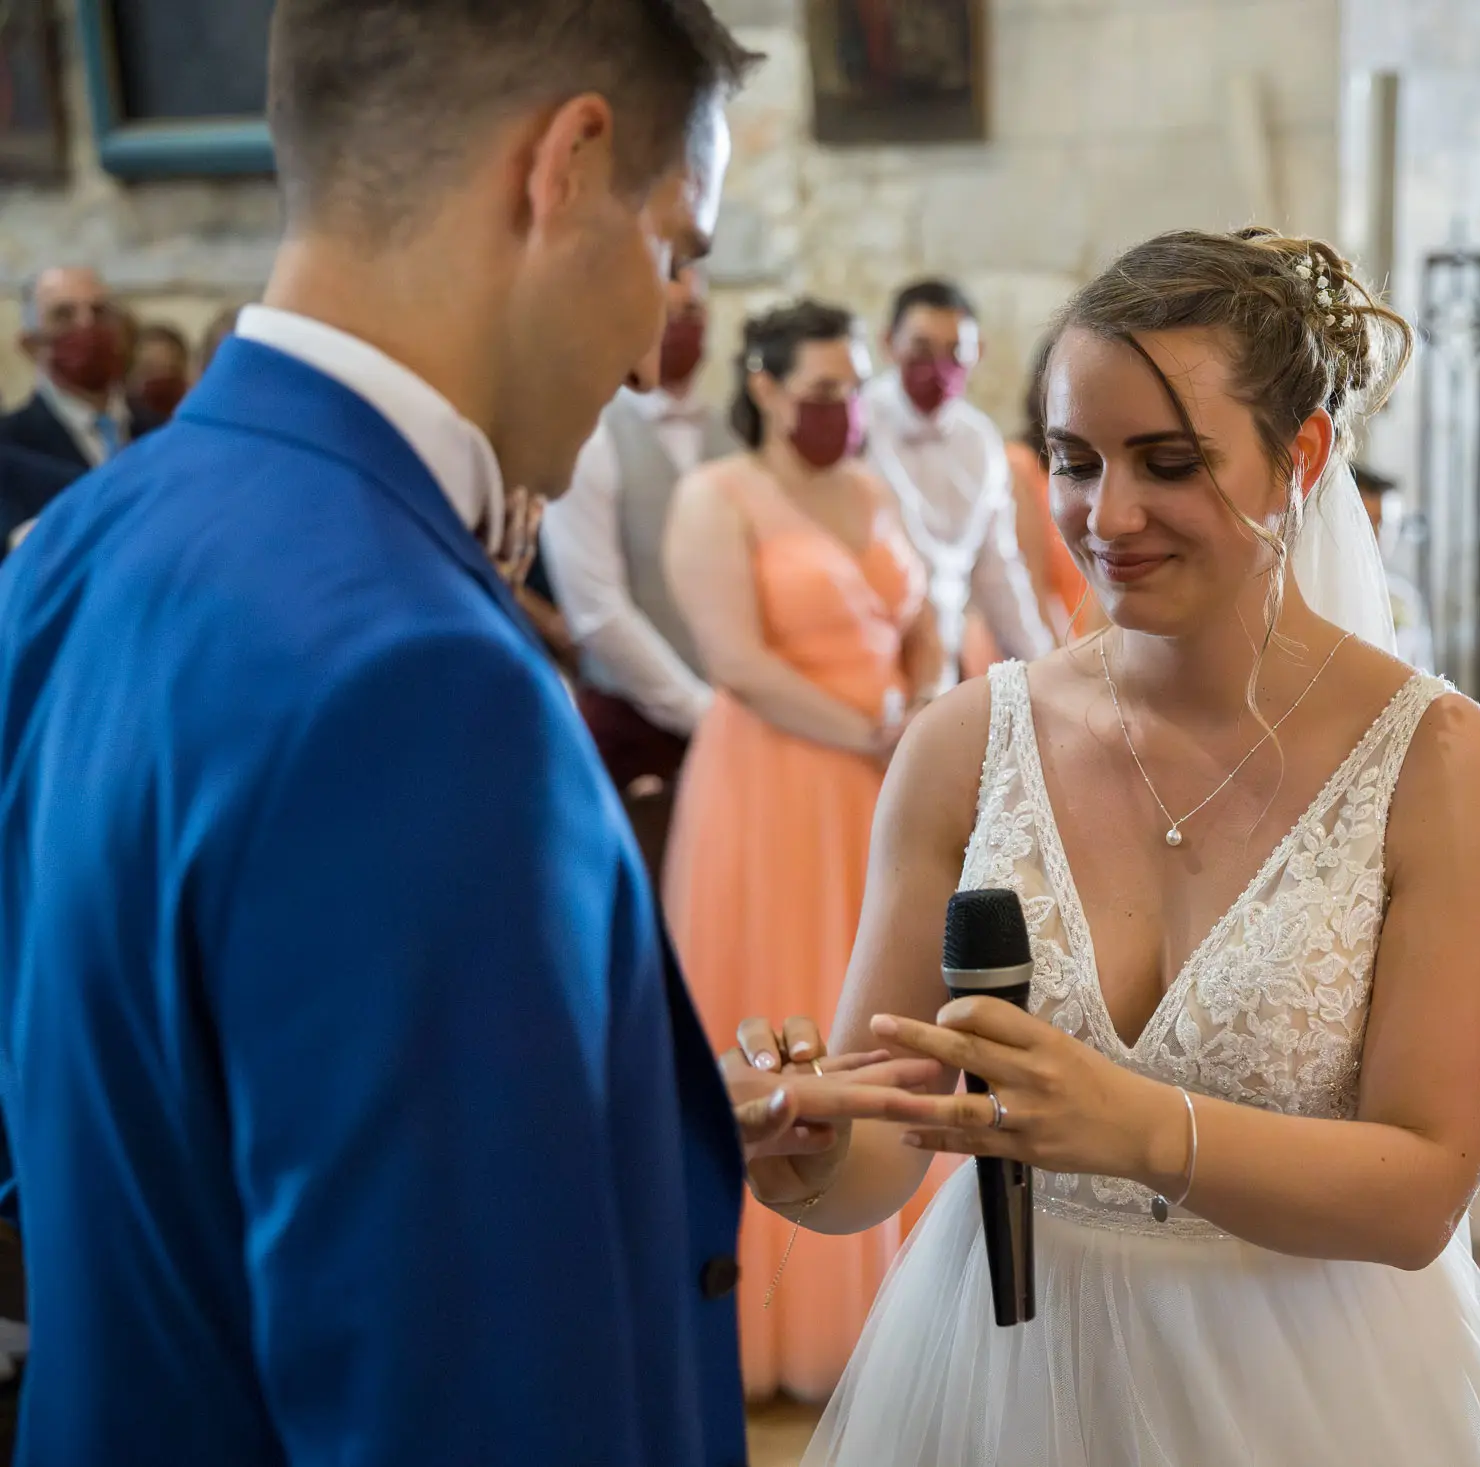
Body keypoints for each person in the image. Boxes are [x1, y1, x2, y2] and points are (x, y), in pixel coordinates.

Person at [0, 5, 940, 1465]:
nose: (653, 353)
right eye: (674, 249)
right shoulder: (419, 675)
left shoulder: (80, 541)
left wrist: (617, 1121)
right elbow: (467, 1389)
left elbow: (125, 1108)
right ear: (567, 166)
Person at [728, 227, 1480, 1465]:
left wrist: (1144, 1129)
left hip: (1311, 1387)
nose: (1106, 516)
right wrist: (810, 1156)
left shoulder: (1443, 766)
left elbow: (1420, 1192)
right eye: (1073, 461)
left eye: (1168, 463)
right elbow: (889, 1140)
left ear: (1299, 457)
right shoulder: (963, 746)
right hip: (1009, 1375)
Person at [659, 299, 944, 1402]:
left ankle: (897, 1302)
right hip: (774, 778)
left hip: (884, 776)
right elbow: (735, 660)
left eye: (853, 391)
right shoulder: (715, 497)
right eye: (823, 392)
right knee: (789, 994)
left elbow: (924, 610)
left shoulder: (873, 485)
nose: (844, 411)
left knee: (878, 1011)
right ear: (766, 387)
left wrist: (919, 704)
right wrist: (868, 731)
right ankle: (779, 1324)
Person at [542, 264, 733, 876]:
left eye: (693, 312)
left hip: (739, 724)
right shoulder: (593, 434)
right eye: (668, 312)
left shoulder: (735, 432)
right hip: (633, 727)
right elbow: (597, 610)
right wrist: (700, 710)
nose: (682, 327)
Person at [862, 277, 1053, 680]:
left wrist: (1044, 668)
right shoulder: (858, 425)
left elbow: (998, 569)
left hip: (944, 651)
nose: (937, 365)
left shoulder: (979, 440)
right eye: (921, 348)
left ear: (977, 351)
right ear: (889, 343)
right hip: (867, 641)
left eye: (954, 351)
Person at [999, 329, 1106, 644]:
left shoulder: (1109, 468)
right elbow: (1031, 586)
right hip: (1040, 638)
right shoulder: (1019, 465)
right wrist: (1070, 659)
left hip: (1095, 640)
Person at [1, 267, 133, 476]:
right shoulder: (9, 445)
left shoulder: (161, 428)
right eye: (63, 315)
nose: (87, 324)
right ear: (31, 345)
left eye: (99, 311)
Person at [1354, 463, 1434, 672]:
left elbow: (1422, 668)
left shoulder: (1403, 597)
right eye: (1369, 521)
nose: (1378, 534)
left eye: (1386, 524)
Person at [126, 321, 192, 433]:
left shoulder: (197, 429)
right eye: (149, 370)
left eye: (170, 370)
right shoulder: (120, 431)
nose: (160, 377)